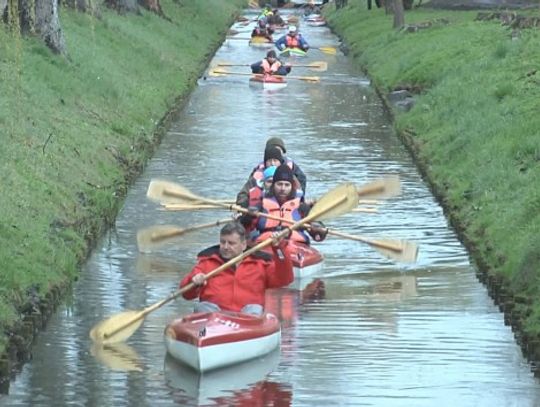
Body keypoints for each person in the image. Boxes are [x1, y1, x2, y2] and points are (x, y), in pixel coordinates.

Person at [180, 222, 293, 316]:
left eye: (231, 243)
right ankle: (206, 336)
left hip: (247, 320)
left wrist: (279, 248)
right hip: (213, 319)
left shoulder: (260, 264)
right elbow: (186, 295)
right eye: (223, 242)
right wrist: (194, 281)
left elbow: (285, 279)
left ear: (243, 245)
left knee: (255, 309)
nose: (225, 247)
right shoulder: (207, 263)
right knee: (203, 307)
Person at [244, 164, 327, 245]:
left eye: (287, 185)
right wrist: (248, 217)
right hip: (267, 244)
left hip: (294, 246)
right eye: (279, 184)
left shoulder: (301, 207)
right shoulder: (261, 205)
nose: (283, 188)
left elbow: (318, 236)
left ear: (292, 186)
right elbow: (243, 229)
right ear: (273, 185)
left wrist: (319, 229)